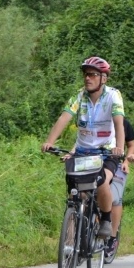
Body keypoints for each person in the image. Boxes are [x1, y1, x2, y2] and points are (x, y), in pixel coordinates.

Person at [41, 56, 125, 240]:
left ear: (103, 78)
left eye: (93, 75)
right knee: (74, 194)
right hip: (82, 153)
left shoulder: (113, 95)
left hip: (106, 152)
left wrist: (119, 147)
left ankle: (105, 220)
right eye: (86, 75)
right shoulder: (79, 96)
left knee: (102, 180)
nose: (87, 78)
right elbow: (64, 117)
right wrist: (50, 141)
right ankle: (72, 239)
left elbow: (119, 123)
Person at [105, 117, 134, 259]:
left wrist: (126, 161)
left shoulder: (123, 122)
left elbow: (131, 145)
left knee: (115, 198)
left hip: (117, 164)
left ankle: (112, 237)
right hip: (98, 161)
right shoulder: (94, 119)